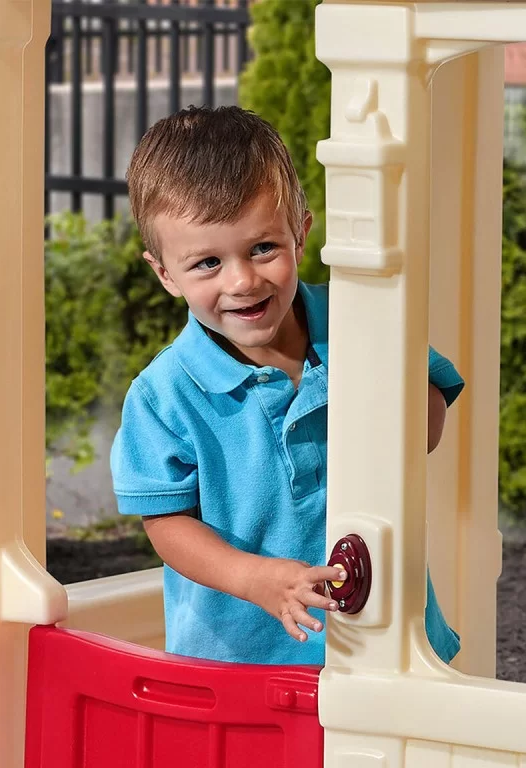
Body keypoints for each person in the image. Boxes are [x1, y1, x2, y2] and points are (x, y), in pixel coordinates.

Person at [111, 106, 463, 667]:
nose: (242, 280)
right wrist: (255, 578)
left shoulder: (358, 319)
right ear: (165, 274)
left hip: (386, 638)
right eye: (207, 263)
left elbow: (430, 401)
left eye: (262, 249)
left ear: (300, 234)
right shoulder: (164, 395)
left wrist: (384, 426)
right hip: (241, 660)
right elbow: (167, 524)